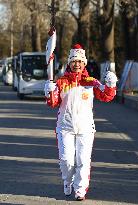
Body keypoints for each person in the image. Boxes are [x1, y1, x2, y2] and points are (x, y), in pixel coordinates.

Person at [44, 44, 117, 201]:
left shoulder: (91, 82)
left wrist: (111, 85)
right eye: (74, 61)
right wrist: (49, 91)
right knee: (66, 160)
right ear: (70, 63)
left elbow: (106, 96)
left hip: (85, 128)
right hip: (65, 127)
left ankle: (80, 190)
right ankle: (67, 181)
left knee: (83, 161)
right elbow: (53, 102)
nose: (77, 64)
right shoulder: (61, 82)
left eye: (80, 61)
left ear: (84, 63)